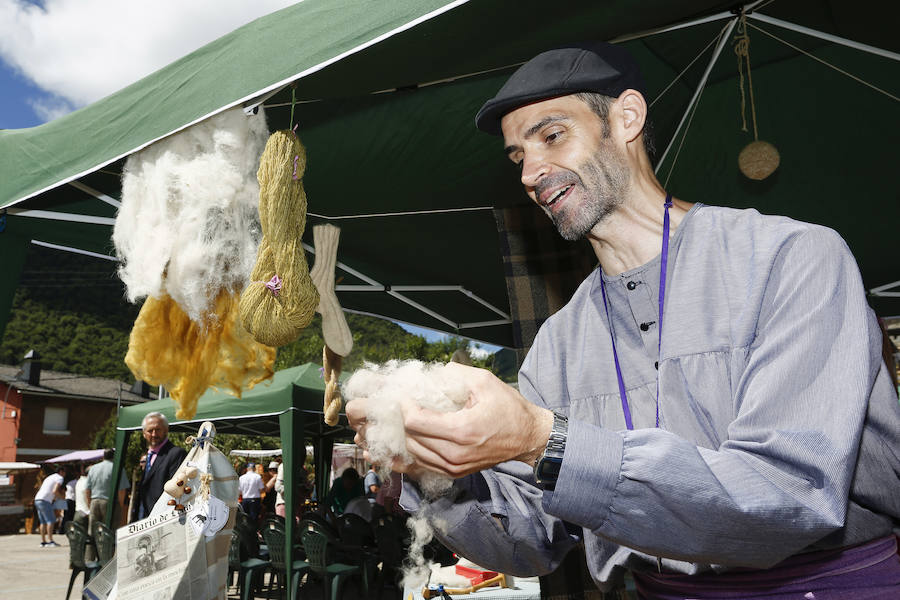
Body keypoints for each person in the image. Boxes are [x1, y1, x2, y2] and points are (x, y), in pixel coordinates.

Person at [348, 42, 900, 597]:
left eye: (552, 135)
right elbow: (529, 542)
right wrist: (429, 464)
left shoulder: (791, 259)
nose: (531, 172)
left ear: (626, 117)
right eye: (518, 156)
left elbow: (787, 495)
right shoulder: (558, 345)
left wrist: (547, 441)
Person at [138, 412, 187, 519]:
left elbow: (176, 490)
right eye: (150, 431)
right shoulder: (147, 456)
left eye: (158, 430)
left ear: (166, 430)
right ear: (144, 433)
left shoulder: (176, 454)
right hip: (143, 517)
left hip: (162, 518)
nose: (154, 434)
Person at [33, 466, 65, 547]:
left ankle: (43, 541)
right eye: (64, 472)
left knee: (43, 521)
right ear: (61, 471)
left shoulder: (49, 477)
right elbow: (55, 491)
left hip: (38, 499)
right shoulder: (59, 478)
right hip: (45, 500)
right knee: (51, 520)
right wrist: (62, 498)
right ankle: (51, 541)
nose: (65, 475)